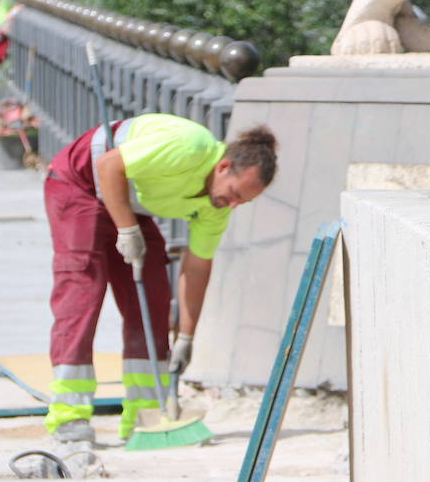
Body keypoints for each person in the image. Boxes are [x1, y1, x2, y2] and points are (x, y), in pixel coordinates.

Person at [43, 113, 277, 445]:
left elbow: (197, 268)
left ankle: (145, 414)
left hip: (128, 200)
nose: (234, 204)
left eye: (244, 202)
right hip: (80, 183)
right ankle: (69, 416)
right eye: (235, 193)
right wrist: (126, 229)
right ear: (223, 167)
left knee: (151, 299)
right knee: (83, 293)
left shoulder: (217, 206)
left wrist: (186, 335)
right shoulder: (188, 146)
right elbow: (110, 165)